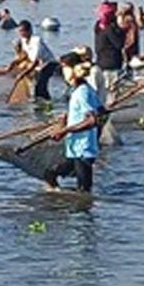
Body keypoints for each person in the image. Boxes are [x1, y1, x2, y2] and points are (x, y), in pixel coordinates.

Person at [45, 52, 102, 192]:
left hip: (84, 150)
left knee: (84, 191)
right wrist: (67, 118)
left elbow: (92, 120)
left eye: (64, 68)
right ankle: (61, 199)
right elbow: (100, 110)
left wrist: (65, 130)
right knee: (50, 174)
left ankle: (82, 209)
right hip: (75, 148)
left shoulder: (83, 91)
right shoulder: (82, 89)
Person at [0, 20, 58, 100]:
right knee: (36, 86)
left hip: (49, 64)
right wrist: (9, 67)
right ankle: (40, 102)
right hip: (40, 66)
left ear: (29, 31)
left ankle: (47, 103)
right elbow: (23, 57)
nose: (21, 33)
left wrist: (23, 74)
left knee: (40, 86)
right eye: (20, 31)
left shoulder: (36, 41)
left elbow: (35, 61)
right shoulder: (23, 40)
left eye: (23, 31)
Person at [93, 0, 125, 93]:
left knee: (103, 89)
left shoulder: (98, 26)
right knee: (111, 90)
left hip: (101, 61)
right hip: (111, 63)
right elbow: (119, 44)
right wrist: (120, 30)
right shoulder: (110, 29)